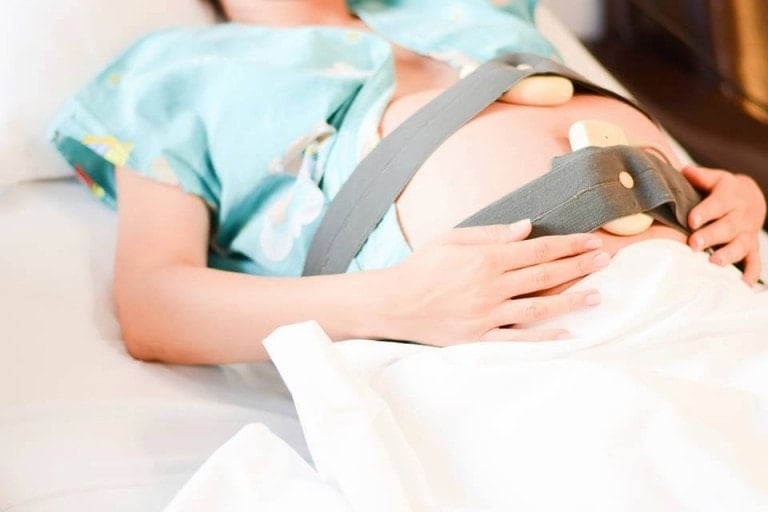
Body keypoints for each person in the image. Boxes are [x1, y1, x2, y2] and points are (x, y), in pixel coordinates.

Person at [48, 0, 766, 364]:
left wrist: (728, 194)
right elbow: (153, 306)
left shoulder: (472, 8)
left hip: (715, 288)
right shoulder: (171, 74)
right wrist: (393, 304)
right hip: (525, 343)